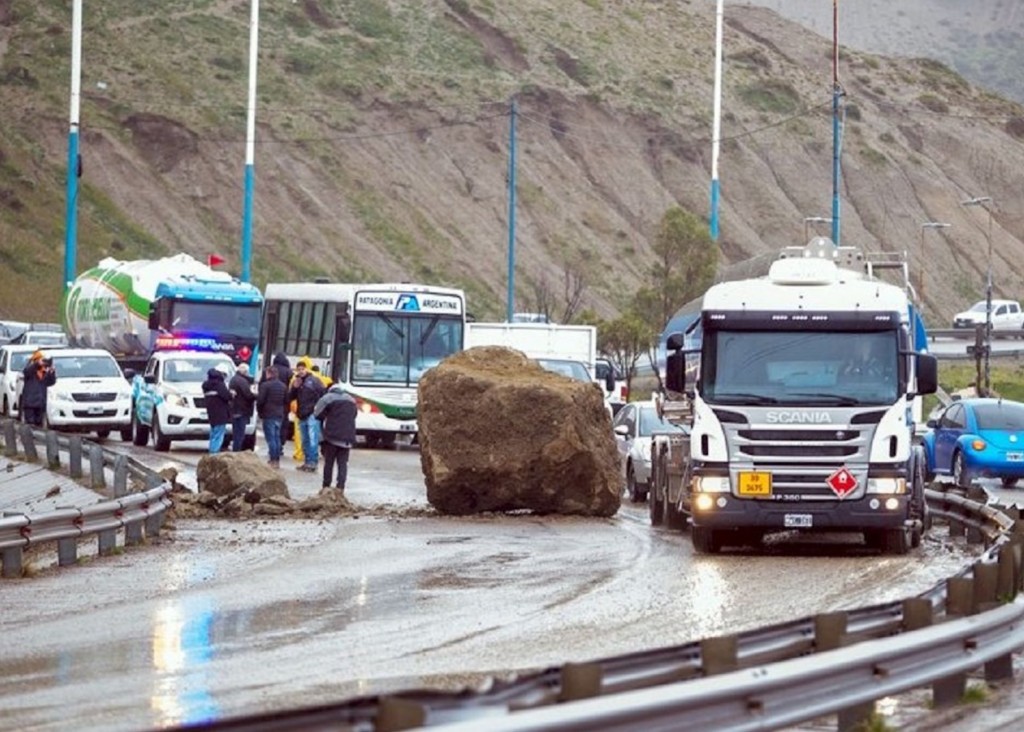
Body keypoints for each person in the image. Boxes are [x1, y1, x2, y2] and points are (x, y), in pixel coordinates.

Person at [314, 384, 358, 492]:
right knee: (343, 464)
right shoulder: (351, 400)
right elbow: (354, 415)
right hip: (348, 437)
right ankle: (340, 487)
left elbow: (317, 414)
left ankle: (326, 487)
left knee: (329, 463)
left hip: (332, 436)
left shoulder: (327, 398)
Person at [288, 358, 326, 472]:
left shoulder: (314, 380)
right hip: (301, 414)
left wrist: (318, 408)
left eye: (302, 369)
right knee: (305, 440)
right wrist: (294, 388)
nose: (301, 371)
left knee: (312, 438)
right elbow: (290, 397)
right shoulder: (297, 382)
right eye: (298, 369)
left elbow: (323, 393)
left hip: (312, 414)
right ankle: (307, 461)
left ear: (306, 369)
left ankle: (313, 462)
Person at [257, 365, 287, 468]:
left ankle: (273, 459)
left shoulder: (265, 385)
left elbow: (260, 401)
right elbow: (286, 401)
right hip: (279, 414)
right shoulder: (283, 386)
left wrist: (260, 412)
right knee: (277, 437)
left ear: (269, 373)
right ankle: (277, 460)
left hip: (268, 414)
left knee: (270, 438)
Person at [20, 350, 56, 427]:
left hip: (40, 404)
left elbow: (51, 382)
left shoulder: (44, 372)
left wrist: (52, 372)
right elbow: (26, 372)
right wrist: (37, 364)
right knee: (30, 425)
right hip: (30, 404)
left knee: (39, 425)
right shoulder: (30, 371)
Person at [202, 367, 232, 454]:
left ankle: (212, 450)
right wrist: (231, 394)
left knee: (213, 433)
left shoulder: (206, 385)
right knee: (219, 434)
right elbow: (227, 396)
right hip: (221, 413)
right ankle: (214, 453)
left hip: (211, 413)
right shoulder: (220, 385)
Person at [229, 362, 257, 451]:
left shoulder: (233, 379)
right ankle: (237, 452)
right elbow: (248, 395)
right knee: (240, 434)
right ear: (245, 372)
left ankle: (235, 450)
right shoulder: (242, 381)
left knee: (236, 433)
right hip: (242, 410)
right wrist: (256, 396)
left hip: (235, 409)